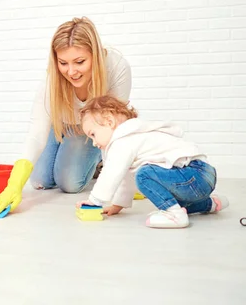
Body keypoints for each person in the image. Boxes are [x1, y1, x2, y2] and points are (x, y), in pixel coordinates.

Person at [0, 17, 132, 216]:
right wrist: (13, 185)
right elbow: (36, 134)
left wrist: (120, 177)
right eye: (63, 63)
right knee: (40, 181)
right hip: (60, 124)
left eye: (79, 62)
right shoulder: (51, 81)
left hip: (91, 131)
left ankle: (96, 163)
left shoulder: (116, 67)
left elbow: (115, 126)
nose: (71, 72)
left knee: (69, 183)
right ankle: (66, 148)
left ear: (95, 55)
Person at [76, 95, 229, 228]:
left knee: (144, 175)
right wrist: (117, 206)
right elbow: (126, 178)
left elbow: (112, 173)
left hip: (192, 174)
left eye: (93, 134)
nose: (94, 143)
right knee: (166, 195)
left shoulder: (123, 140)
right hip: (202, 176)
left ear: (109, 122)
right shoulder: (135, 135)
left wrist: (94, 201)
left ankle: (175, 216)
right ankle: (211, 204)